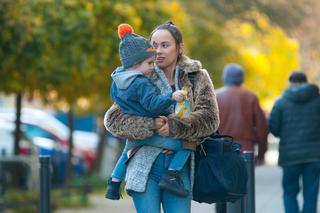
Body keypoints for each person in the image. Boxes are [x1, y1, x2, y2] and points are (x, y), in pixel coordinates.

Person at [104, 21, 220, 212]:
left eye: (165, 45)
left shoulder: (197, 76)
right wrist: (151, 124)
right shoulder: (139, 74)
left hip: (178, 169)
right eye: (154, 45)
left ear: (179, 47)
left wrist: (175, 126)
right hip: (143, 167)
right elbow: (113, 119)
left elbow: (210, 118)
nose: (158, 51)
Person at [105, 23, 191, 200]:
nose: (153, 65)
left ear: (179, 47)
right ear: (136, 64)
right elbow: (151, 105)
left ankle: (113, 183)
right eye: (149, 62)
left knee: (125, 153)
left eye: (165, 45)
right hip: (148, 138)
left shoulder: (118, 81)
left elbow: (119, 103)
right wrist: (170, 98)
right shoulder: (142, 82)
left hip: (136, 137)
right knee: (186, 145)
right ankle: (172, 174)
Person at [215, 63, 269, 213]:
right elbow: (262, 128)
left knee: (220, 190)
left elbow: (208, 127)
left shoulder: (216, 95)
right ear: (241, 78)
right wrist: (262, 153)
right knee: (244, 191)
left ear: (225, 77)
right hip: (246, 152)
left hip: (221, 150)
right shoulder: (250, 96)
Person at [269, 71, 320, 213]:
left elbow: (274, 128)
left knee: (290, 192)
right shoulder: (318, 101)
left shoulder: (281, 103)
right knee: (311, 193)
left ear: (291, 83)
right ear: (306, 81)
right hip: (314, 155)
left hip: (289, 156)